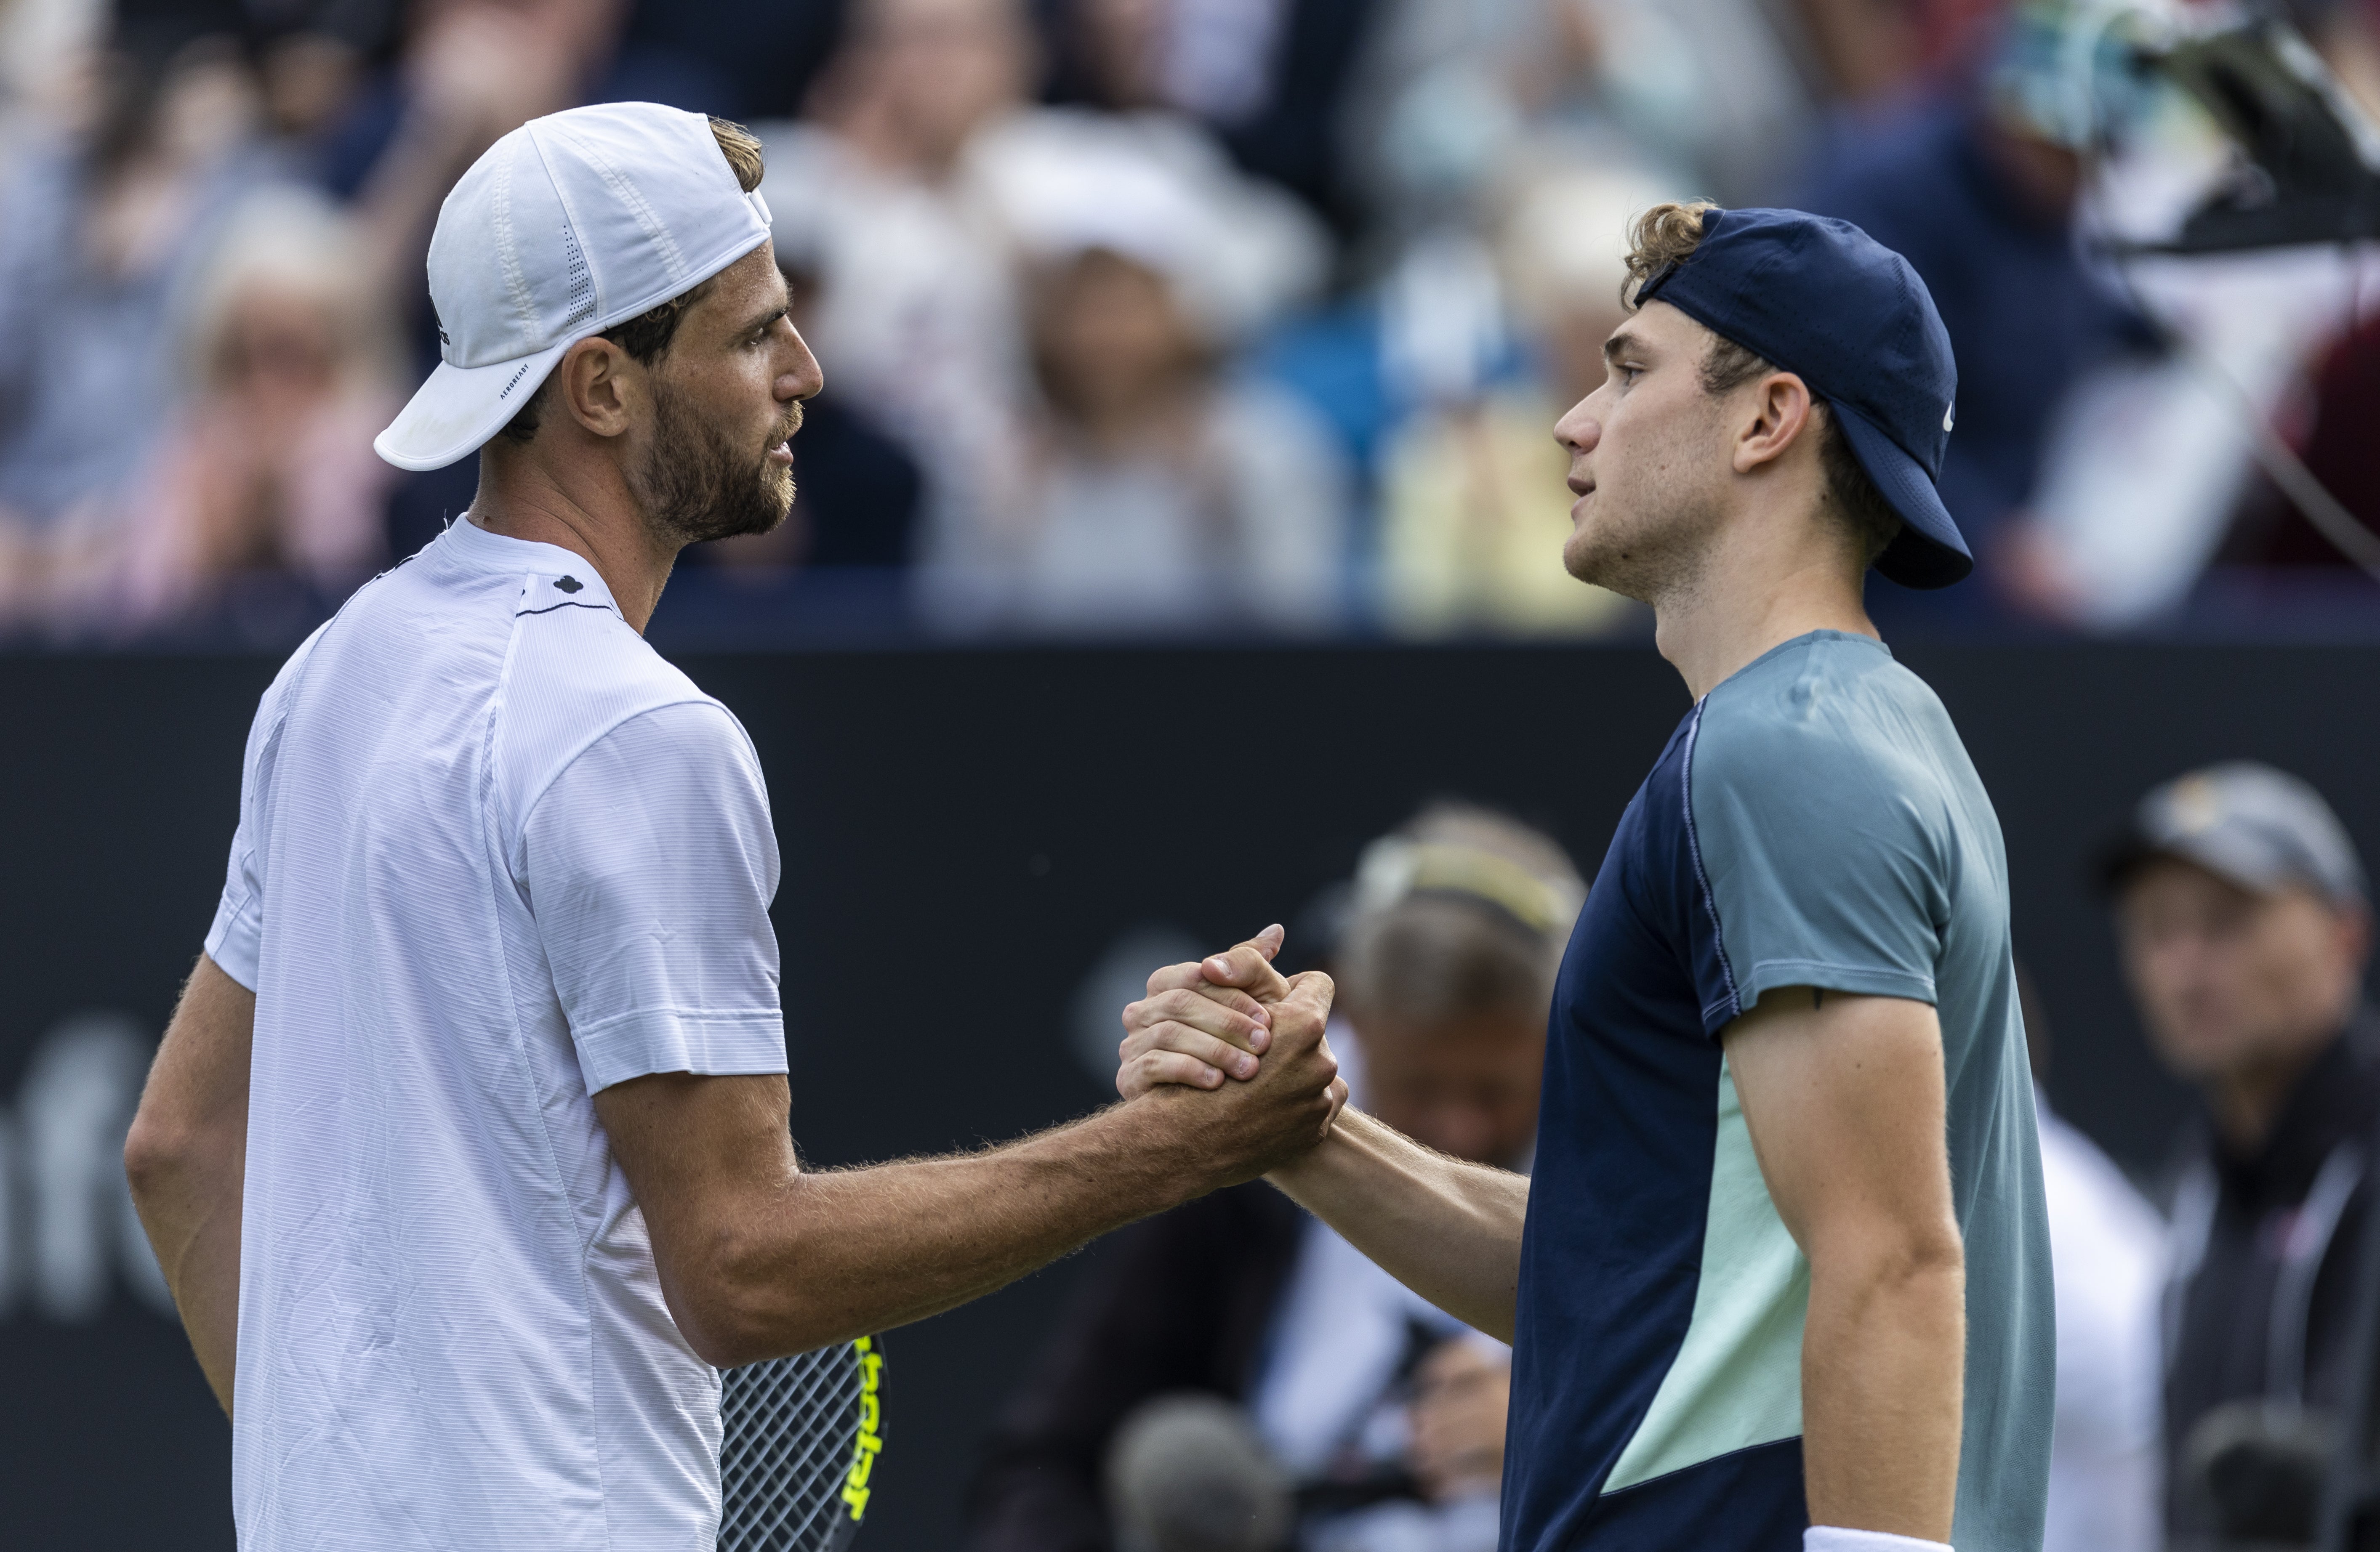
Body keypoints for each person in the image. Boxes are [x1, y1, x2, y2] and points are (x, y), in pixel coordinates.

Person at [119, 103, 1346, 1549]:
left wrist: (334, 1487)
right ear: (600, 387)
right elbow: (741, 1269)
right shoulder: (636, 732)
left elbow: (178, 1145)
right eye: (755, 333)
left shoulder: (334, 668)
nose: (808, 371)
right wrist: (1172, 1149)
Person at [1120, 201, 2054, 1552]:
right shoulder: (1838, 734)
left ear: (1764, 418)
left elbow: (1892, 1263)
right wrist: (1302, 1131)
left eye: (1625, 371)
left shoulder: (1784, 757)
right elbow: (1624, 1280)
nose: (1569, 421)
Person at [964, 805, 1582, 1550]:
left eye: (1494, 1091)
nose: (1460, 1129)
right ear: (1352, 1013)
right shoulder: (1239, 1179)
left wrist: (1575, 1430)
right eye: (1419, 1087)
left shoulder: (1652, 1167)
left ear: (1564, 1030)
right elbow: (1050, 1463)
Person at [2100, 762, 2375, 1550]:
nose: (2184, 969)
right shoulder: (2199, 1179)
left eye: (2225, 923)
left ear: (2344, 935)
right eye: (2153, 930)